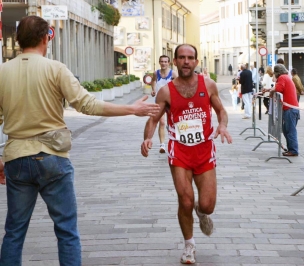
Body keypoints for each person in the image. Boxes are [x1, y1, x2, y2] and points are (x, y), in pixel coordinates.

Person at [0, 16, 160, 266]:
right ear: (46, 38)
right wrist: (131, 110)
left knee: (14, 233)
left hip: (16, 157)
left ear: (18, 40)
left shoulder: (2, 72)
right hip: (53, 156)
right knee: (66, 231)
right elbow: (88, 105)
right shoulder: (55, 69)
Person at [141, 44, 232, 264]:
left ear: (196, 62)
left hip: (204, 151)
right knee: (186, 201)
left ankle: (202, 214)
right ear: (174, 62)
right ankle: (189, 245)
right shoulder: (166, 91)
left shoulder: (208, 85)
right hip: (179, 152)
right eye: (181, 58)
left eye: (190, 58)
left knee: (207, 205)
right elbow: (154, 118)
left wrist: (222, 125)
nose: (186, 61)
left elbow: (221, 110)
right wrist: (148, 138)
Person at [262, 64, 299, 156]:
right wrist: (269, 89)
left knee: (290, 130)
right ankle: (291, 149)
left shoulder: (282, 77)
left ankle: (293, 150)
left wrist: (271, 90)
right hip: (291, 108)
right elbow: (278, 87)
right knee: (286, 130)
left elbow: (279, 88)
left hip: (290, 109)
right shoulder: (286, 77)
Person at [151, 55, 178, 153]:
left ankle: (174, 140)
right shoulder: (156, 73)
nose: (163, 63)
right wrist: (153, 90)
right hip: (159, 101)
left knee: (173, 123)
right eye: (162, 61)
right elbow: (153, 81)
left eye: (165, 61)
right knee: (162, 122)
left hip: (171, 102)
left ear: (169, 63)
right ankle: (162, 145)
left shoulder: (173, 74)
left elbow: (179, 85)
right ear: (159, 62)